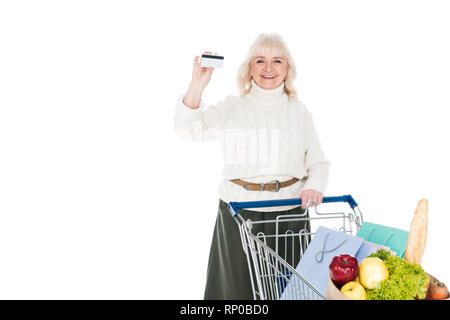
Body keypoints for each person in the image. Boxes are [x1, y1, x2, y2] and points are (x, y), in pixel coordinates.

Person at [173, 33, 330, 300]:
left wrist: (314, 186)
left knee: (289, 292)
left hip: (289, 214)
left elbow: (318, 162)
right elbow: (187, 129)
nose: (269, 68)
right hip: (239, 214)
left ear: (287, 69)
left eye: (277, 61)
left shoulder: (298, 111)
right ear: (249, 68)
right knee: (236, 294)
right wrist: (197, 84)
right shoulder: (232, 108)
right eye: (260, 60)